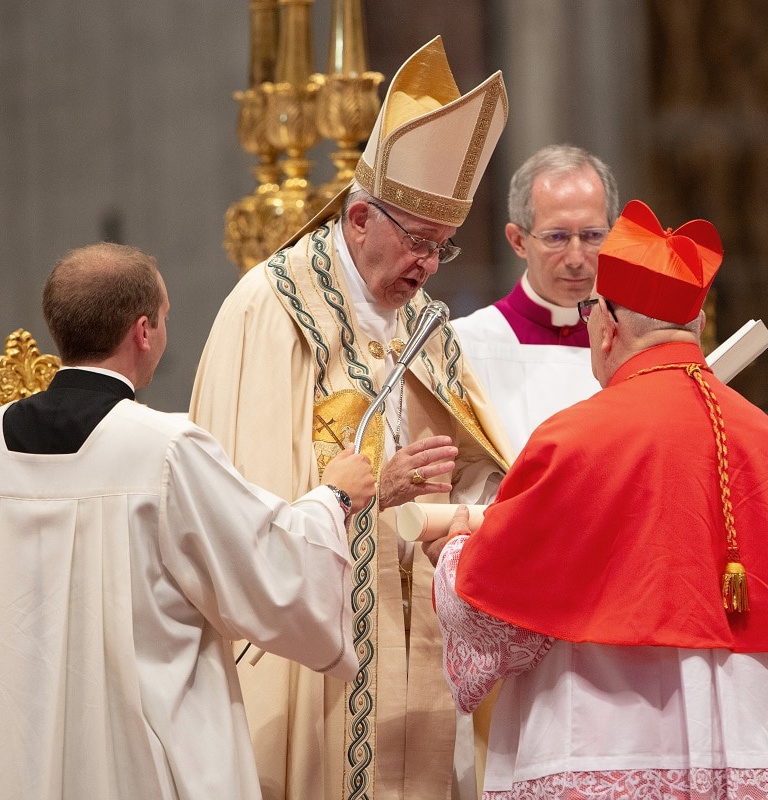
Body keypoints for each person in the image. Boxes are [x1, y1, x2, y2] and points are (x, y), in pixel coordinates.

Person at [189, 37, 513, 800]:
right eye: (419, 242)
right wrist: (371, 498)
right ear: (360, 217)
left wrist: (467, 501)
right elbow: (244, 503)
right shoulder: (273, 311)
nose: (431, 267)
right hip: (317, 657)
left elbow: (482, 468)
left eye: (443, 247)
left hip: (419, 637)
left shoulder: (426, 324)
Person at [0, 242, 376, 800]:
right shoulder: (164, 449)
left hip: (15, 758)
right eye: (165, 318)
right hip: (132, 764)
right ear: (143, 331)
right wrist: (333, 497)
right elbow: (270, 568)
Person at [429, 200, 768, 799]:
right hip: (747, 739)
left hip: (602, 735)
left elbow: (493, 608)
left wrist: (454, 547)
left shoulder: (579, 435)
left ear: (606, 322)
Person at [451, 144, 619, 453]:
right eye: (556, 237)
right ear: (518, 240)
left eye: (593, 235)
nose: (576, 257)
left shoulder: (632, 344)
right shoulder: (462, 346)